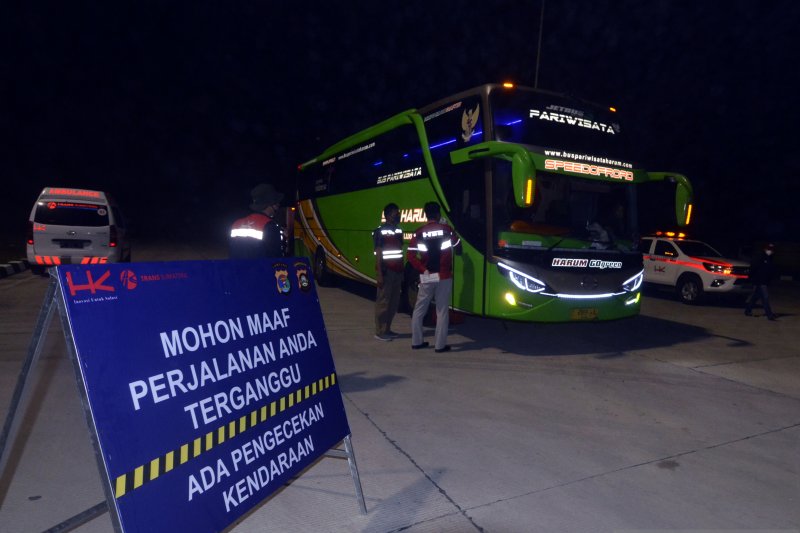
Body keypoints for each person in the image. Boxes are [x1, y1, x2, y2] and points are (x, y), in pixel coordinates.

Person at [407, 202, 458, 353]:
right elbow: (458, 246)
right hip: (444, 276)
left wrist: (423, 269)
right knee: (442, 311)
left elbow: (410, 256)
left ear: (426, 214)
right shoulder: (447, 230)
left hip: (427, 276)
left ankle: (417, 342)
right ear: (438, 214)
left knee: (419, 309)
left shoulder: (419, 232)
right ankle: (440, 346)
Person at [372, 203, 404, 341]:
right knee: (383, 302)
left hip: (397, 272)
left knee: (393, 302)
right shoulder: (380, 231)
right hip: (386, 271)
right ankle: (380, 332)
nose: (398, 215)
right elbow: (378, 253)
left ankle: (388, 328)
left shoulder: (398, 231)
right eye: (396, 213)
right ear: (388, 215)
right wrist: (379, 273)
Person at [229, 183, 286, 259]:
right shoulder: (270, 226)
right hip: (260, 270)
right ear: (270, 204)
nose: (278, 205)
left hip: (237, 269)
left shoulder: (236, 224)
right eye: (277, 203)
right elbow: (276, 258)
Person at [745, 243, 777, 320]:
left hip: (764, 281)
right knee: (765, 297)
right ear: (765, 249)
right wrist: (751, 278)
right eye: (769, 249)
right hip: (760, 280)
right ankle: (769, 315)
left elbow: (770, 270)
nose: (770, 251)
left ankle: (748, 310)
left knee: (756, 297)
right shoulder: (760, 257)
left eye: (771, 249)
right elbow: (754, 268)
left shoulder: (770, 258)